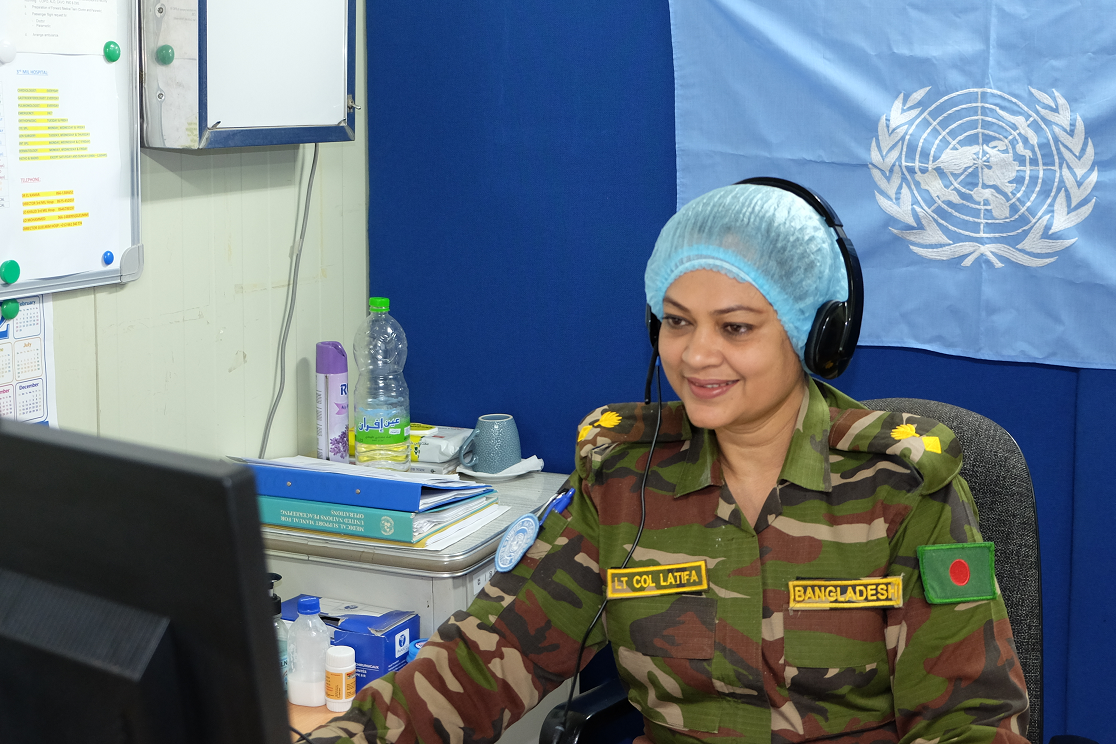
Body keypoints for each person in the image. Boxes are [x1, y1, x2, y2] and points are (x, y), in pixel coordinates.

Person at [307, 183, 1030, 743]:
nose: (696, 354)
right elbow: (486, 659)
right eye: (677, 321)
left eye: (736, 327)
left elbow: (969, 720)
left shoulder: (901, 489)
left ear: (815, 335)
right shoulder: (623, 479)